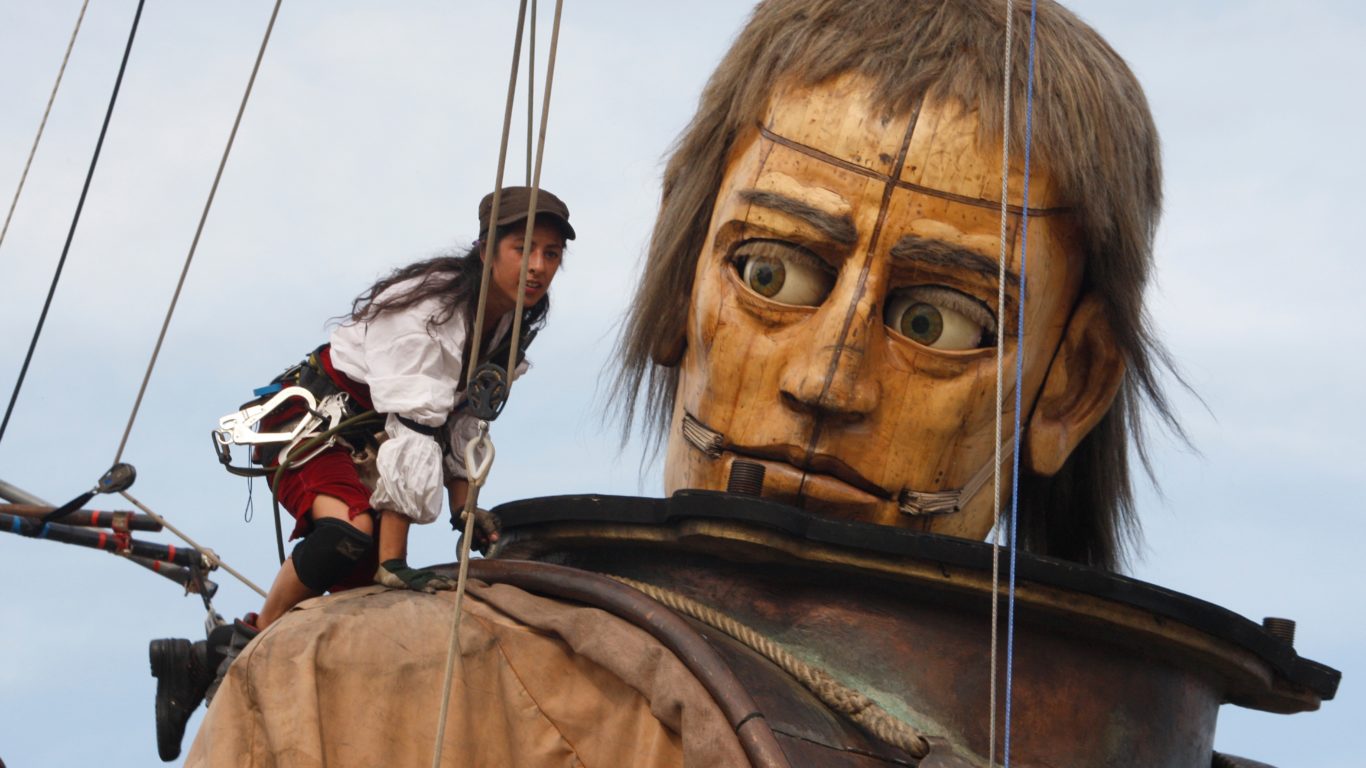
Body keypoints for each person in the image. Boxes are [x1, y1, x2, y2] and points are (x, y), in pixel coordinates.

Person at [149, 185, 574, 761]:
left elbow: (462, 427)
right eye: (525, 249)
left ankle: (196, 660)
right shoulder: (434, 312)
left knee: (355, 616)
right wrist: (394, 564)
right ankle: (244, 650)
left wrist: (466, 507)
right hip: (317, 426)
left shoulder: (506, 332)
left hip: (371, 446)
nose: (539, 267)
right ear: (487, 250)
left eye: (551, 254)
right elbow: (418, 428)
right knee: (350, 538)